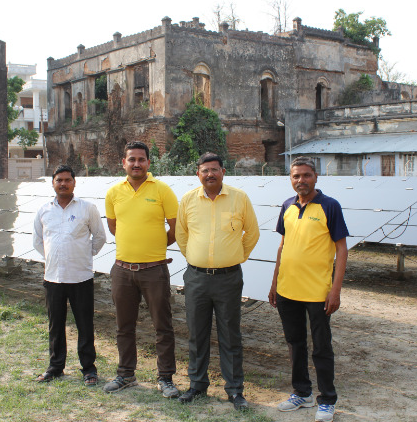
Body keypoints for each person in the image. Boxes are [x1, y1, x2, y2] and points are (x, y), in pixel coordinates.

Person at [175, 152, 260, 410]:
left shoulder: (239, 198)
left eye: (214, 169)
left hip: (228, 279)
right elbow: (181, 233)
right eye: (204, 170)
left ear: (223, 171)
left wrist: (235, 257)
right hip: (197, 278)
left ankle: (235, 390)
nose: (209, 174)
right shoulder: (188, 200)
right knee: (197, 334)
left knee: (230, 335)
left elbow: (252, 233)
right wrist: (195, 257)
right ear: (198, 174)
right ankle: (197, 385)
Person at [268, 156, 349, 422]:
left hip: (317, 291)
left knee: (321, 346)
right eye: (296, 176)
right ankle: (301, 392)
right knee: (295, 343)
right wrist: (274, 283)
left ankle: (327, 399)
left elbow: (341, 248)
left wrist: (335, 290)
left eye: (306, 175)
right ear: (290, 179)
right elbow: (283, 246)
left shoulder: (330, 206)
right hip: (287, 288)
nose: (301, 181)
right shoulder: (287, 206)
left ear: (316, 177)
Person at [102, 141, 180, 398]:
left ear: (149, 162)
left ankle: (166, 378)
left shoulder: (162, 190)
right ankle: (125, 374)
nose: (136, 164)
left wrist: (155, 248)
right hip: (122, 271)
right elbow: (114, 228)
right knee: (124, 326)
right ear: (123, 163)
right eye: (131, 159)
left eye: (141, 159)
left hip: (154, 271)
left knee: (163, 326)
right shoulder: (113, 192)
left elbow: (175, 228)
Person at [33, 164, 107, 385]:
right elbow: (38, 241)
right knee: (56, 325)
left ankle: (89, 369)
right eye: (59, 180)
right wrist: (53, 257)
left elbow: (100, 237)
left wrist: (84, 255)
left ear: (75, 183)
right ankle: (56, 367)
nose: (63, 183)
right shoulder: (44, 210)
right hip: (53, 278)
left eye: (67, 180)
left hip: (81, 277)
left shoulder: (87, 209)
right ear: (53, 183)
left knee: (85, 324)